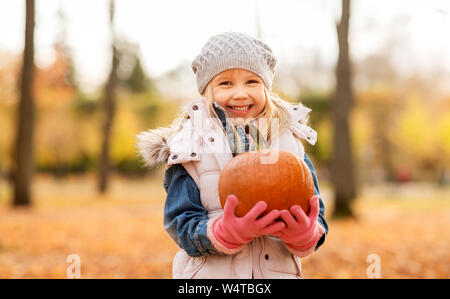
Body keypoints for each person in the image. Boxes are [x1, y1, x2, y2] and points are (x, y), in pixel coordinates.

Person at [137, 32, 328, 279]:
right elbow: (180, 223)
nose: (240, 93)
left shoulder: (288, 141)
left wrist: (304, 234)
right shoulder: (189, 147)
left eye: (252, 82)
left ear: (266, 88)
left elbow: (317, 217)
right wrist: (225, 233)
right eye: (225, 83)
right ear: (207, 90)